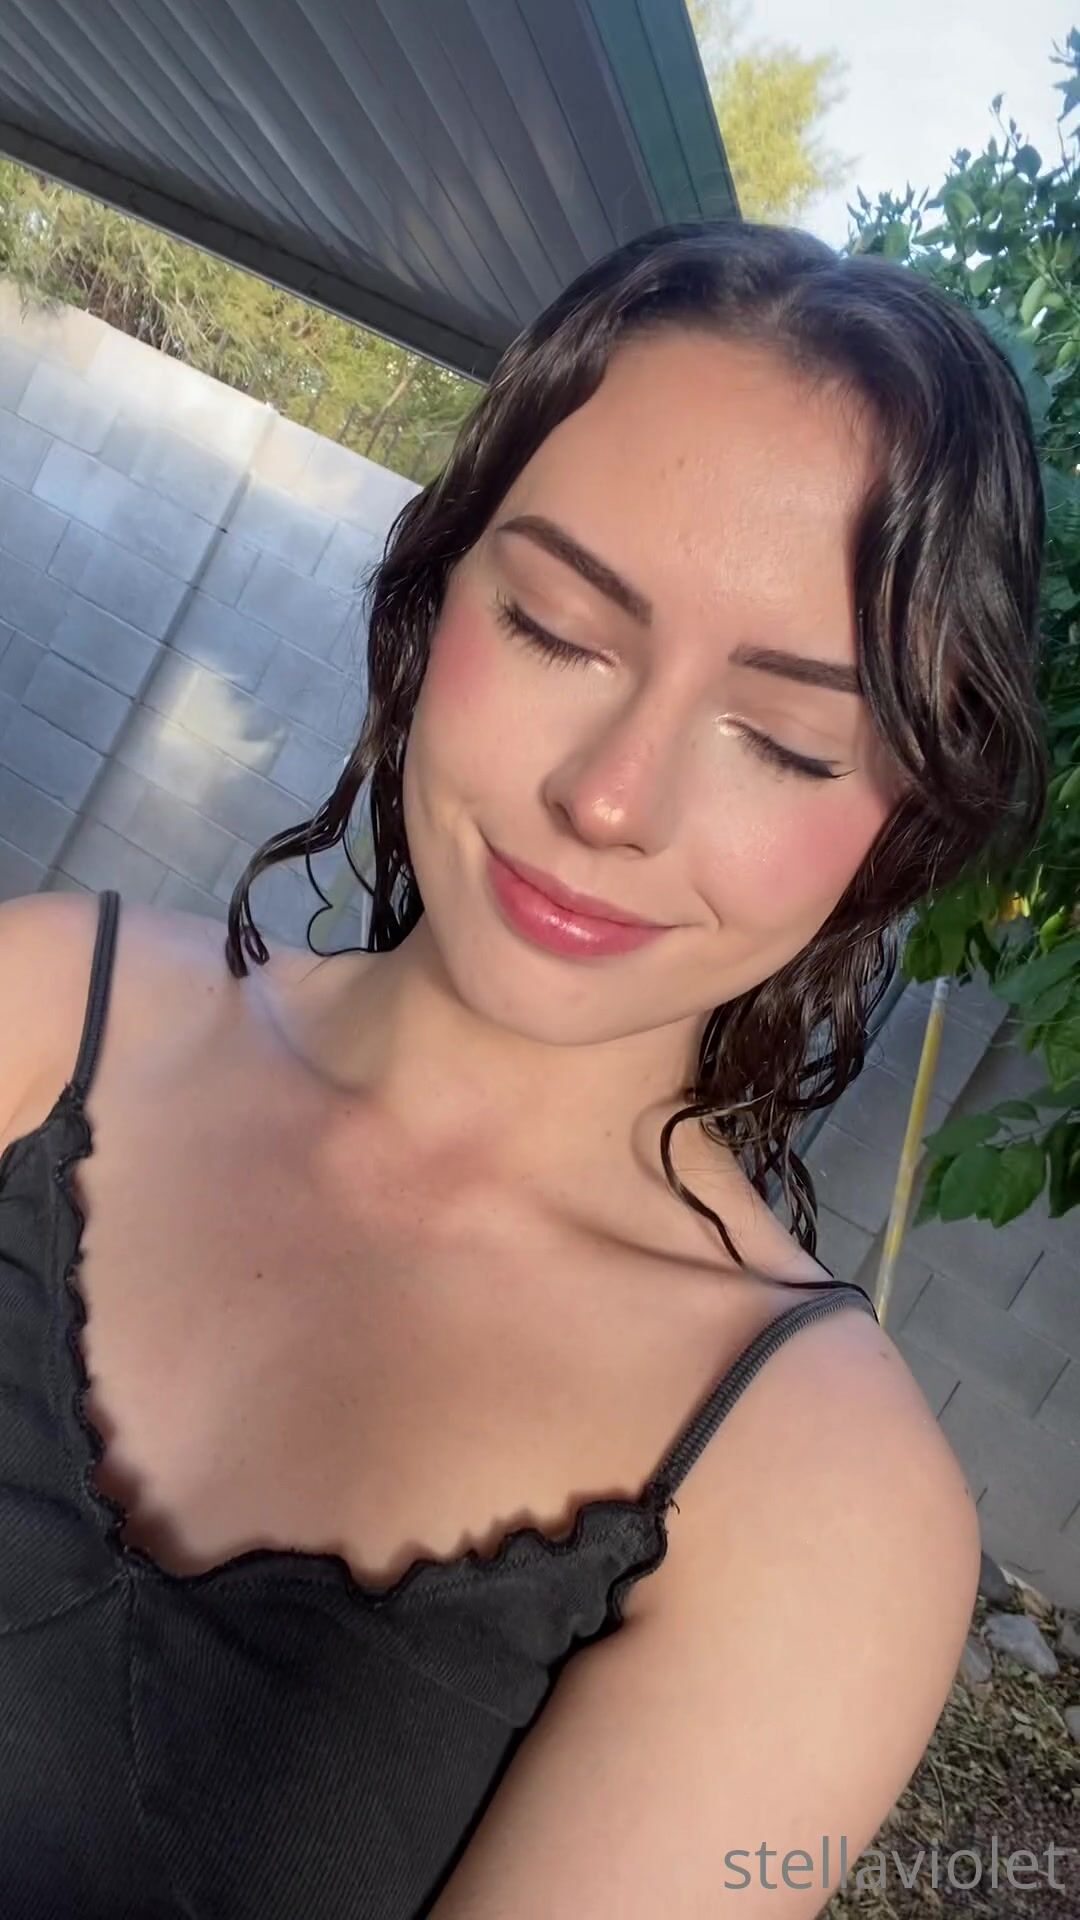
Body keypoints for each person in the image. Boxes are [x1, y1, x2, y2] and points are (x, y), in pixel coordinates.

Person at [0, 217, 1044, 1918]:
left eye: (786, 742)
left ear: (901, 824)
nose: (611, 798)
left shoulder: (814, 1495)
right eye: (559, 628)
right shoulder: (41, 1007)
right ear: (439, 588)